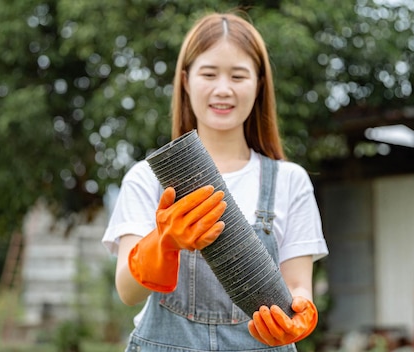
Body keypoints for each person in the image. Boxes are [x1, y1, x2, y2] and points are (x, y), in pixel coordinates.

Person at [102, 11, 329, 352]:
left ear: (260, 84)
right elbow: (127, 292)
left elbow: (298, 287)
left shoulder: (289, 181)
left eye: (238, 76)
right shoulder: (146, 178)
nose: (223, 89)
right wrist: (164, 242)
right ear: (185, 80)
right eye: (209, 74)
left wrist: (299, 316)